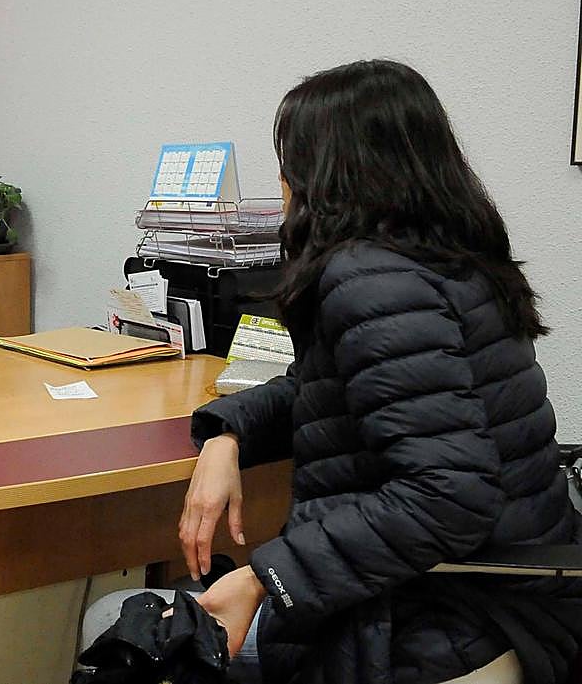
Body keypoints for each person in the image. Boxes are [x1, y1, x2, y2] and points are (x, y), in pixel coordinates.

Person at [173, 59, 582, 683]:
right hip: (508, 601)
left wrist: (265, 577)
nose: (282, 183)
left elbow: (448, 496)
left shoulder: (372, 279)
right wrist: (227, 433)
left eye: (289, 162)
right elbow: (335, 389)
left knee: (118, 626)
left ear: (325, 174)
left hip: (433, 624)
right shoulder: (453, 258)